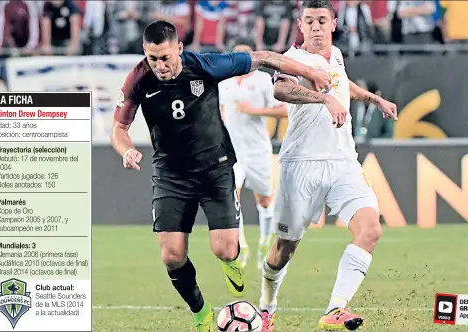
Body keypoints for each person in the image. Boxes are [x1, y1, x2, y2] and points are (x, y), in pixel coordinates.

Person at [110, 20, 340, 332]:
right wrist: (126, 151)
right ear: (144, 54)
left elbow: (265, 57)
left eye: (165, 57)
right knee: (172, 255)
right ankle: (201, 313)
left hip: (215, 167)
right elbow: (118, 130)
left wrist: (311, 73)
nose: (160, 66)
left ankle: (232, 260)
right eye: (153, 59)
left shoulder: (206, 66)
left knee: (225, 249)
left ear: (179, 48)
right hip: (170, 173)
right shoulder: (138, 79)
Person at [256, 1, 398, 331]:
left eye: (322, 20)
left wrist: (374, 99)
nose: (316, 27)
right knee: (283, 250)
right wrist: (323, 98)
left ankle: (335, 309)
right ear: (301, 26)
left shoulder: (335, 55)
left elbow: (341, 83)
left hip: (342, 161)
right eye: (310, 21)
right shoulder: (292, 59)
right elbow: (281, 89)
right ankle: (267, 305)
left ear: (334, 23)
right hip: (301, 165)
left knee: (370, 229)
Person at [218, 42, 288, 270]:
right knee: (231, 196)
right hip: (232, 152)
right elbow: (218, 111)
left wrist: (255, 110)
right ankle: (240, 246)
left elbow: (284, 110)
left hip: (257, 150)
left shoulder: (263, 81)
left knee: (264, 200)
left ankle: (263, 242)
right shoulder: (224, 83)